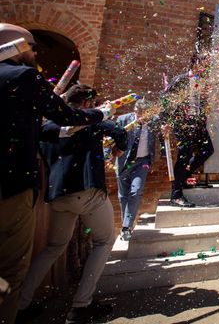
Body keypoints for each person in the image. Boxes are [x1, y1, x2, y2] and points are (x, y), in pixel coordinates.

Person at [0, 24, 107, 324]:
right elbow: (65, 117)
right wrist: (100, 114)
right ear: (19, 47)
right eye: (32, 47)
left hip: (51, 192)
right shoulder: (23, 76)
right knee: (9, 268)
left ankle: (21, 305)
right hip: (11, 186)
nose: (35, 53)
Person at [15, 84, 124, 323]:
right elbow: (119, 131)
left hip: (58, 195)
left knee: (54, 248)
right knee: (105, 240)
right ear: (86, 104)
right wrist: (118, 150)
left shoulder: (47, 127)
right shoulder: (90, 120)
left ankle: (20, 304)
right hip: (87, 192)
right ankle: (81, 305)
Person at [162, 66, 214, 207]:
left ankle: (183, 178)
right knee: (184, 156)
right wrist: (165, 122)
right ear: (195, 64)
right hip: (182, 123)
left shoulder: (201, 81)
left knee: (207, 150)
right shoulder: (181, 79)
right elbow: (165, 98)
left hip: (197, 123)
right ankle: (176, 195)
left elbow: (200, 103)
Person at [115, 98, 160, 240]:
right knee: (123, 195)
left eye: (144, 114)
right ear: (135, 111)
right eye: (139, 114)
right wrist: (109, 155)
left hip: (143, 162)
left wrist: (165, 130)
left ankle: (126, 226)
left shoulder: (154, 122)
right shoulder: (123, 120)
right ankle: (126, 224)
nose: (141, 117)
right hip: (124, 162)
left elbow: (161, 134)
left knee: (135, 191)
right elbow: (111, 138)